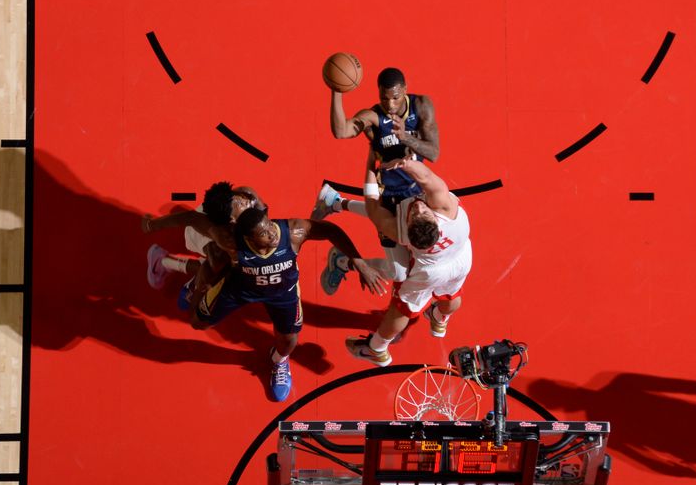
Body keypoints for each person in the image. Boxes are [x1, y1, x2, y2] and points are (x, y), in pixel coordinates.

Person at [185, 207, 388, 401]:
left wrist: (360, 263)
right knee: (198, 322)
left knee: (290, 340)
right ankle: (195, 284)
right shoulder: (234, 242)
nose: (272, 234)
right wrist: (152, 226)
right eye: (264, 233)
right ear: (249, 238)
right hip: (241, 289)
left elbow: (330, 230)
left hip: (283, 293)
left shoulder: (292, 232)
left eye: (270, 226)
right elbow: (194, 220)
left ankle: (279, 362)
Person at [311, 67, 440, 291]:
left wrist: (405, 138)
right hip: (389, 195)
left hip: (418, 189)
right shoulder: (373, 117)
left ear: (405, 91)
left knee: (428, 242)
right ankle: (343, 261)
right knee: (398, 272)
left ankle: (334, 202)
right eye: (384, 98)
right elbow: (341, 131)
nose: (390, 104)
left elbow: (434, 153)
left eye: (396, 98)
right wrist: (337, 91)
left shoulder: (421, 106)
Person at [339, 157, 472, 367]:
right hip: (461, 258)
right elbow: (427, 176)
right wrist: (407, 163)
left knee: (403, 309)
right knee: (452, 296)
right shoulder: (446, 208)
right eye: (421, 212)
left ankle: (377, 348)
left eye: (419, 212)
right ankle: (438, 318)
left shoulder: (401, 232)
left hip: (432, 271)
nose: (419, 207)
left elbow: (374, 209)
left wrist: (370, 167)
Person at [142, 182, 264, 290]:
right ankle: (163, 262)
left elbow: (264, 220)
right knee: (219, 270)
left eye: (241, 199)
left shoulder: (247, 195)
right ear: (232, 220)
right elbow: (190, 218)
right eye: (240, 203)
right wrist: (150, 225)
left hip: (213, 215)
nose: (245, 201)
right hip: (198, 234)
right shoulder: (224, 236)